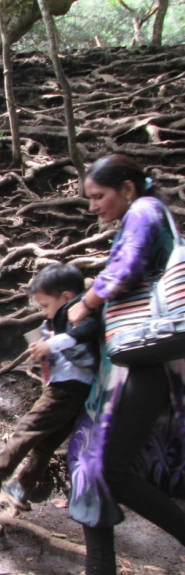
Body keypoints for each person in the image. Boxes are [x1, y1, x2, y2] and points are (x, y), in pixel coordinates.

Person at [66, 154, 185, 575]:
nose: (93, 206)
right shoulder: (139, 213)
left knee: (109, 469)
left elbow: (125, 269)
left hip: (142, 364)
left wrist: (86, 302)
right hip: (121, 367)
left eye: (99, 197)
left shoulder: (145, 211)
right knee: (85, 461)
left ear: (128, 189)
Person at [0, 262, 99, 510]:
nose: (43, 312)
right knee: (46, 443)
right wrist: (46, 351)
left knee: (27, 429)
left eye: (45, 305)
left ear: (66, 297)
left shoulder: (80, 312)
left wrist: (51, 345)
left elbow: (88, 330)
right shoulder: (60, 322)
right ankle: (21, 488)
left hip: (67, 389)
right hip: (78, 391)